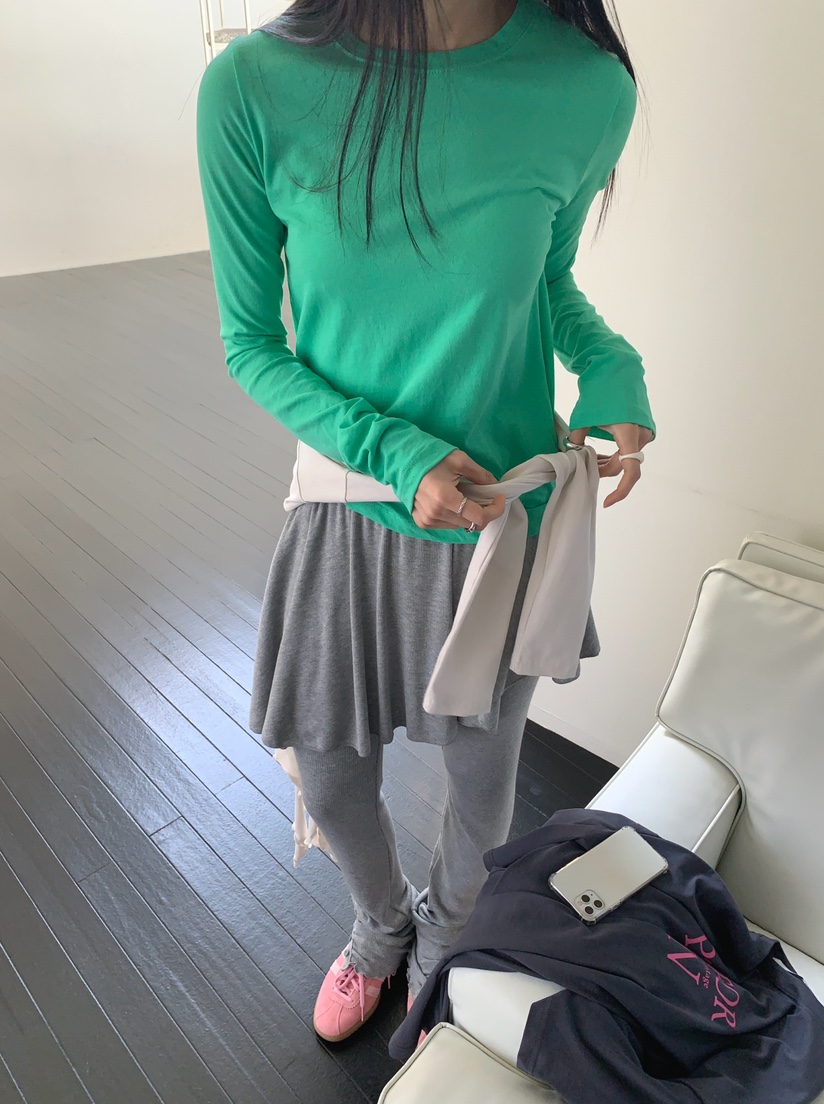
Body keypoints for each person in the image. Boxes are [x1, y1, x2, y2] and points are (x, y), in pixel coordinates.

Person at [196, 0, 656, 1045]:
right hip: (349, 506)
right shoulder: (254, 85)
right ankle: (380, 922)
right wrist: (398, 455)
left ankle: (449, 931)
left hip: (502, 525)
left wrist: (611, 368)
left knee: (482, 774)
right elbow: (249, 343)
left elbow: (545, 282)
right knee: (329, 774)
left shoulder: (587, 87)